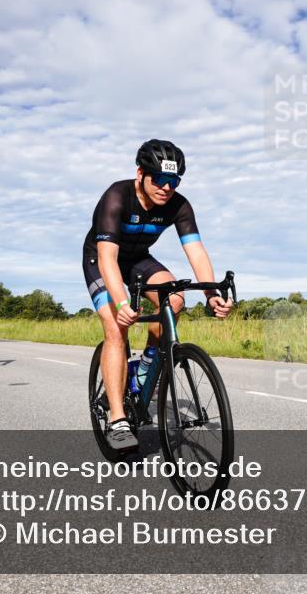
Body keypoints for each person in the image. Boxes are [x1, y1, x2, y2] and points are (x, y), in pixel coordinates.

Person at [82, 139, 232, 448]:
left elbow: (197, 252)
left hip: (137, 260)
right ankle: (118, 419)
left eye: (174, 181)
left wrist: (211, 293)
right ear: (140, 174)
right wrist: (122, 302)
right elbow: (108, 258)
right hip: (101, 259)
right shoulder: (116, 196)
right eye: (160, 179)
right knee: (116, 327)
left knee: (175, 298)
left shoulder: (179, 205)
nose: (167, 187)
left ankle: (147, 365)